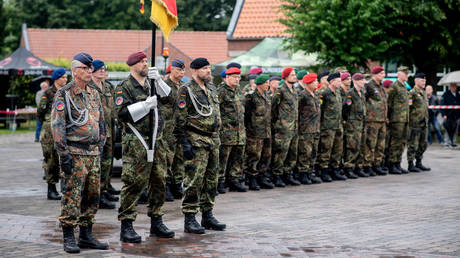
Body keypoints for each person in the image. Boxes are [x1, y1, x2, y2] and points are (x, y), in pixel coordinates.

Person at [51, 53, 108, 253]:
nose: (89, 71)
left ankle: (86, 234)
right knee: (72, 196)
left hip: (93, 154)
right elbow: (57, 126)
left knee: (93, 196)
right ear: (75, 71)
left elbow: (101, 122)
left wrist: (101, 144)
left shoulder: (93, 93)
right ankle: (68, 236)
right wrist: (63, 154)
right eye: (85, 68)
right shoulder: (64, 94)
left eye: (90, 68)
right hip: (74, 153)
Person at [115, 52, 174, 243]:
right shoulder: (124, 87)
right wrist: (144, 105)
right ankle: (127, 225)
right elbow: (121, 113)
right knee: (133, 183)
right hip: (136, 142)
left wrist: (160, 82)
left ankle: (157, 221)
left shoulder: (151, 84)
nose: (145, 64)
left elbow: (169, 99)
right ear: (132, 65)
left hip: (156, 141)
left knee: (159, 181)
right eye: (141, 62)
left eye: (146, 61)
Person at [174, 57, 226, 234]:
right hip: (196, 141)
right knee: (194, 180)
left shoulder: (211, 88)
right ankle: (190, 217)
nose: (209, 71)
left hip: (213, 140)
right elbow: (179, 119)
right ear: (194, 71)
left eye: (209, 68)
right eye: (204, 68)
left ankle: (207, 214)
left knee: (212, 180)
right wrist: (184, 143)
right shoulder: (186, 90)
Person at [89, 60, 118, 209]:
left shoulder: (107, 87)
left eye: (103, 69)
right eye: (99, 69)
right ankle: (96, 195)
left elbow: (113, 109)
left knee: (107, 162)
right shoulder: (89, 87)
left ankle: (104, 189)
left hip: (109, 130)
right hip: (96, 132)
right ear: (92, 71)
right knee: (98, 164)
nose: (102, 71)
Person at [37, 69, 66, 200]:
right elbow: (40, 112)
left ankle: (64, 188)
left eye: (66, 77)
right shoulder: (48, 93)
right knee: (50, 160)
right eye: (63, 77)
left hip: (63, 130)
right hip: (49, 131)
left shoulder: (67, 92)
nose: (65, 80)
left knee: (63, 159)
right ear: (56, 78)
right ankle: (51, 189)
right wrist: (49, 123)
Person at [217, 67, 247, 193]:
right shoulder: (221, 91)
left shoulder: (239, 91)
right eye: (234, 77)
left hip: (239, 132)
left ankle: (234, 180)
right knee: (223, 159)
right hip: (226, 132)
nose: (237, 79)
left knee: (237, 158)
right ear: (227, 77)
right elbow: (216, 110)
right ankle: (219, 182)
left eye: (238, 77)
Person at [244, 74, 275, 190]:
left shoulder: (267, 96)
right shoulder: (251, 97)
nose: (268, 84)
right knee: (254, 156)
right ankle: (251, 179)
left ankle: (262, 177)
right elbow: (246, 116)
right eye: (266, 82)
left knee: (266, 156)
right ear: (260, 84)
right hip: (255, 133)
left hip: (266, 131)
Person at [271, 67, 300, 187]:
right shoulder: (280, 91)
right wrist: (278, 123)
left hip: (294, 127)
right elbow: (273, 108)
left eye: (295, 74)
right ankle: (277, 175)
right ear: (286, 76)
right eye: (292, 75)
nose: (295, 76)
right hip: (283, 127)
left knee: (292, 152)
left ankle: (288, 174)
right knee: (281, 152)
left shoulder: (294, 90)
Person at [317, 73, 346, 181]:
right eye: (338, 81)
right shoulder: (324, 93)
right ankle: (324, 171)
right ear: (331, 82)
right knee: (326, 149)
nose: (340, 83)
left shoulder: (338, 92)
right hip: (327, 127)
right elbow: (320, 109)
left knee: (337, 150)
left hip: (338, 125)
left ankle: (335, 170)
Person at [164, 59, 186, 201]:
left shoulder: (184, 87)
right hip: (168, 128)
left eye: (183, 70)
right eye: (179, 70)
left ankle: (176, 185)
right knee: (167, 158)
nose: (182, 73)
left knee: (179, 158)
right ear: (172, 70)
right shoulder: (165, 85)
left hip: (181, 128)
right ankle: (165, 186)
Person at [296, 73, 323, 184]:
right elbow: (298, 111)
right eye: (315, 81)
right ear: (309, 83)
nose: (317, 83)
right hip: (306, 129)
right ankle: (303, 174)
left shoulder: (315, 95)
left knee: (313, 152)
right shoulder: (303, 95)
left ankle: (310, 173)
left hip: (315, 128)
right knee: (305, 152)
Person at [342, 73, 368, 178]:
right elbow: (345, 109)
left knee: (361, 146)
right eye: (361, 80)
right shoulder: (350, 93)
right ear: (356, 81)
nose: (364, 82)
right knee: (352, 146)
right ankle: (349, 167)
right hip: (353, 124)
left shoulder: (362, 92)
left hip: (361, 123)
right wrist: (347, 121)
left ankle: (359, 167)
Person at [363, 66, 388, 176]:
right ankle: (368, 165)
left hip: (382, 119)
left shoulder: (381, 86)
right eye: (381, 73)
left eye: (383, 73)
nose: (383, 75)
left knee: (380, 144)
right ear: (375, 74)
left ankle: (377, 165)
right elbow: (363, 100)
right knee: (370, 144)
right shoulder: (368, 86)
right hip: (372, 119)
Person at [386, 66, 410, 174]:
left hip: (404, 118)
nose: (407, 75)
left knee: (402, 142)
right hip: (396, 119)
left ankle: (398, 163)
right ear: (399, 74)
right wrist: (389, 117)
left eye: (407, 73)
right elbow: (389, 103)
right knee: (395, 142)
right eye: (405, 73)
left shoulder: (404, 86)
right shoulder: (394, 86)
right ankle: (392, 164)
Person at [407, 73, 430, 172]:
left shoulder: (424, 93)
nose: (424, 82)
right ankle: (411, 164)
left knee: (423, 144)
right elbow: (408, 108)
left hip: (424, 122)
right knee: (413, 144)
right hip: (415, 123)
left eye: (425, 81)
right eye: (422, 80)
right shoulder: (412, 93)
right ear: (416, 81)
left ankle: (419, 162)